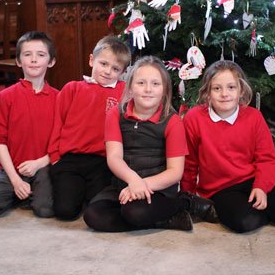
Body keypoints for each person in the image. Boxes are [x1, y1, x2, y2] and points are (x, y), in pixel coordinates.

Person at [181, 60, 275, 233]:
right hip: (221, 189)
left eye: (231, 87)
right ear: (208, 92)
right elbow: (189, 162)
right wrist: (188, 197)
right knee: (245, 223)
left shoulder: (254, 117)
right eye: (217, 88)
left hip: (252, 179)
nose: (224, 94)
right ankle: (263, 207)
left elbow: (267, 158)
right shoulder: (194, 118)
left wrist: (261, 187)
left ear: (241, 90)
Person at [84, 56, 198, 231]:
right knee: (93, 216)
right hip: (125, 182)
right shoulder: (116, 114)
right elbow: (114, 157)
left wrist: (142, 185)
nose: (148, 90)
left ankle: (182, 203)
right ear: (130, 87)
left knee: (136, 213)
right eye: (141, 83)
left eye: (155, 84)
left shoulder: (172, 121)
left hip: (158, 187)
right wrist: (133, 181)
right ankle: (164, 220)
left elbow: (175, 172)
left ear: (165, 90)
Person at [48, 35, 131, 220]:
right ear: (92, 60)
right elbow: (57, 123)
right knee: (65, 212)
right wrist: (54, 157)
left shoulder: (125, 92)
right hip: (70, 159)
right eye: (103, 64)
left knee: (99, 207)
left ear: (123, 72)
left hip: (103, 162)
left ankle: (86, 194)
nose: (108, 71)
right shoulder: (72, 88)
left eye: (115, 68)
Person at [0, 31, 58, 218]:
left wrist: (39, 163)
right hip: (11, 168)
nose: (34, 60)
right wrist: (15, 180)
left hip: (43, 167)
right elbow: (0, 141)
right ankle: (19, 192)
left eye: (41, 55)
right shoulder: (5, 97)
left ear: (51, 61)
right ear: (18, 61)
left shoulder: (59, 98)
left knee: (45, 209)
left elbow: (62, 141)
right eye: (27, 54)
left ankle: (28, 194)